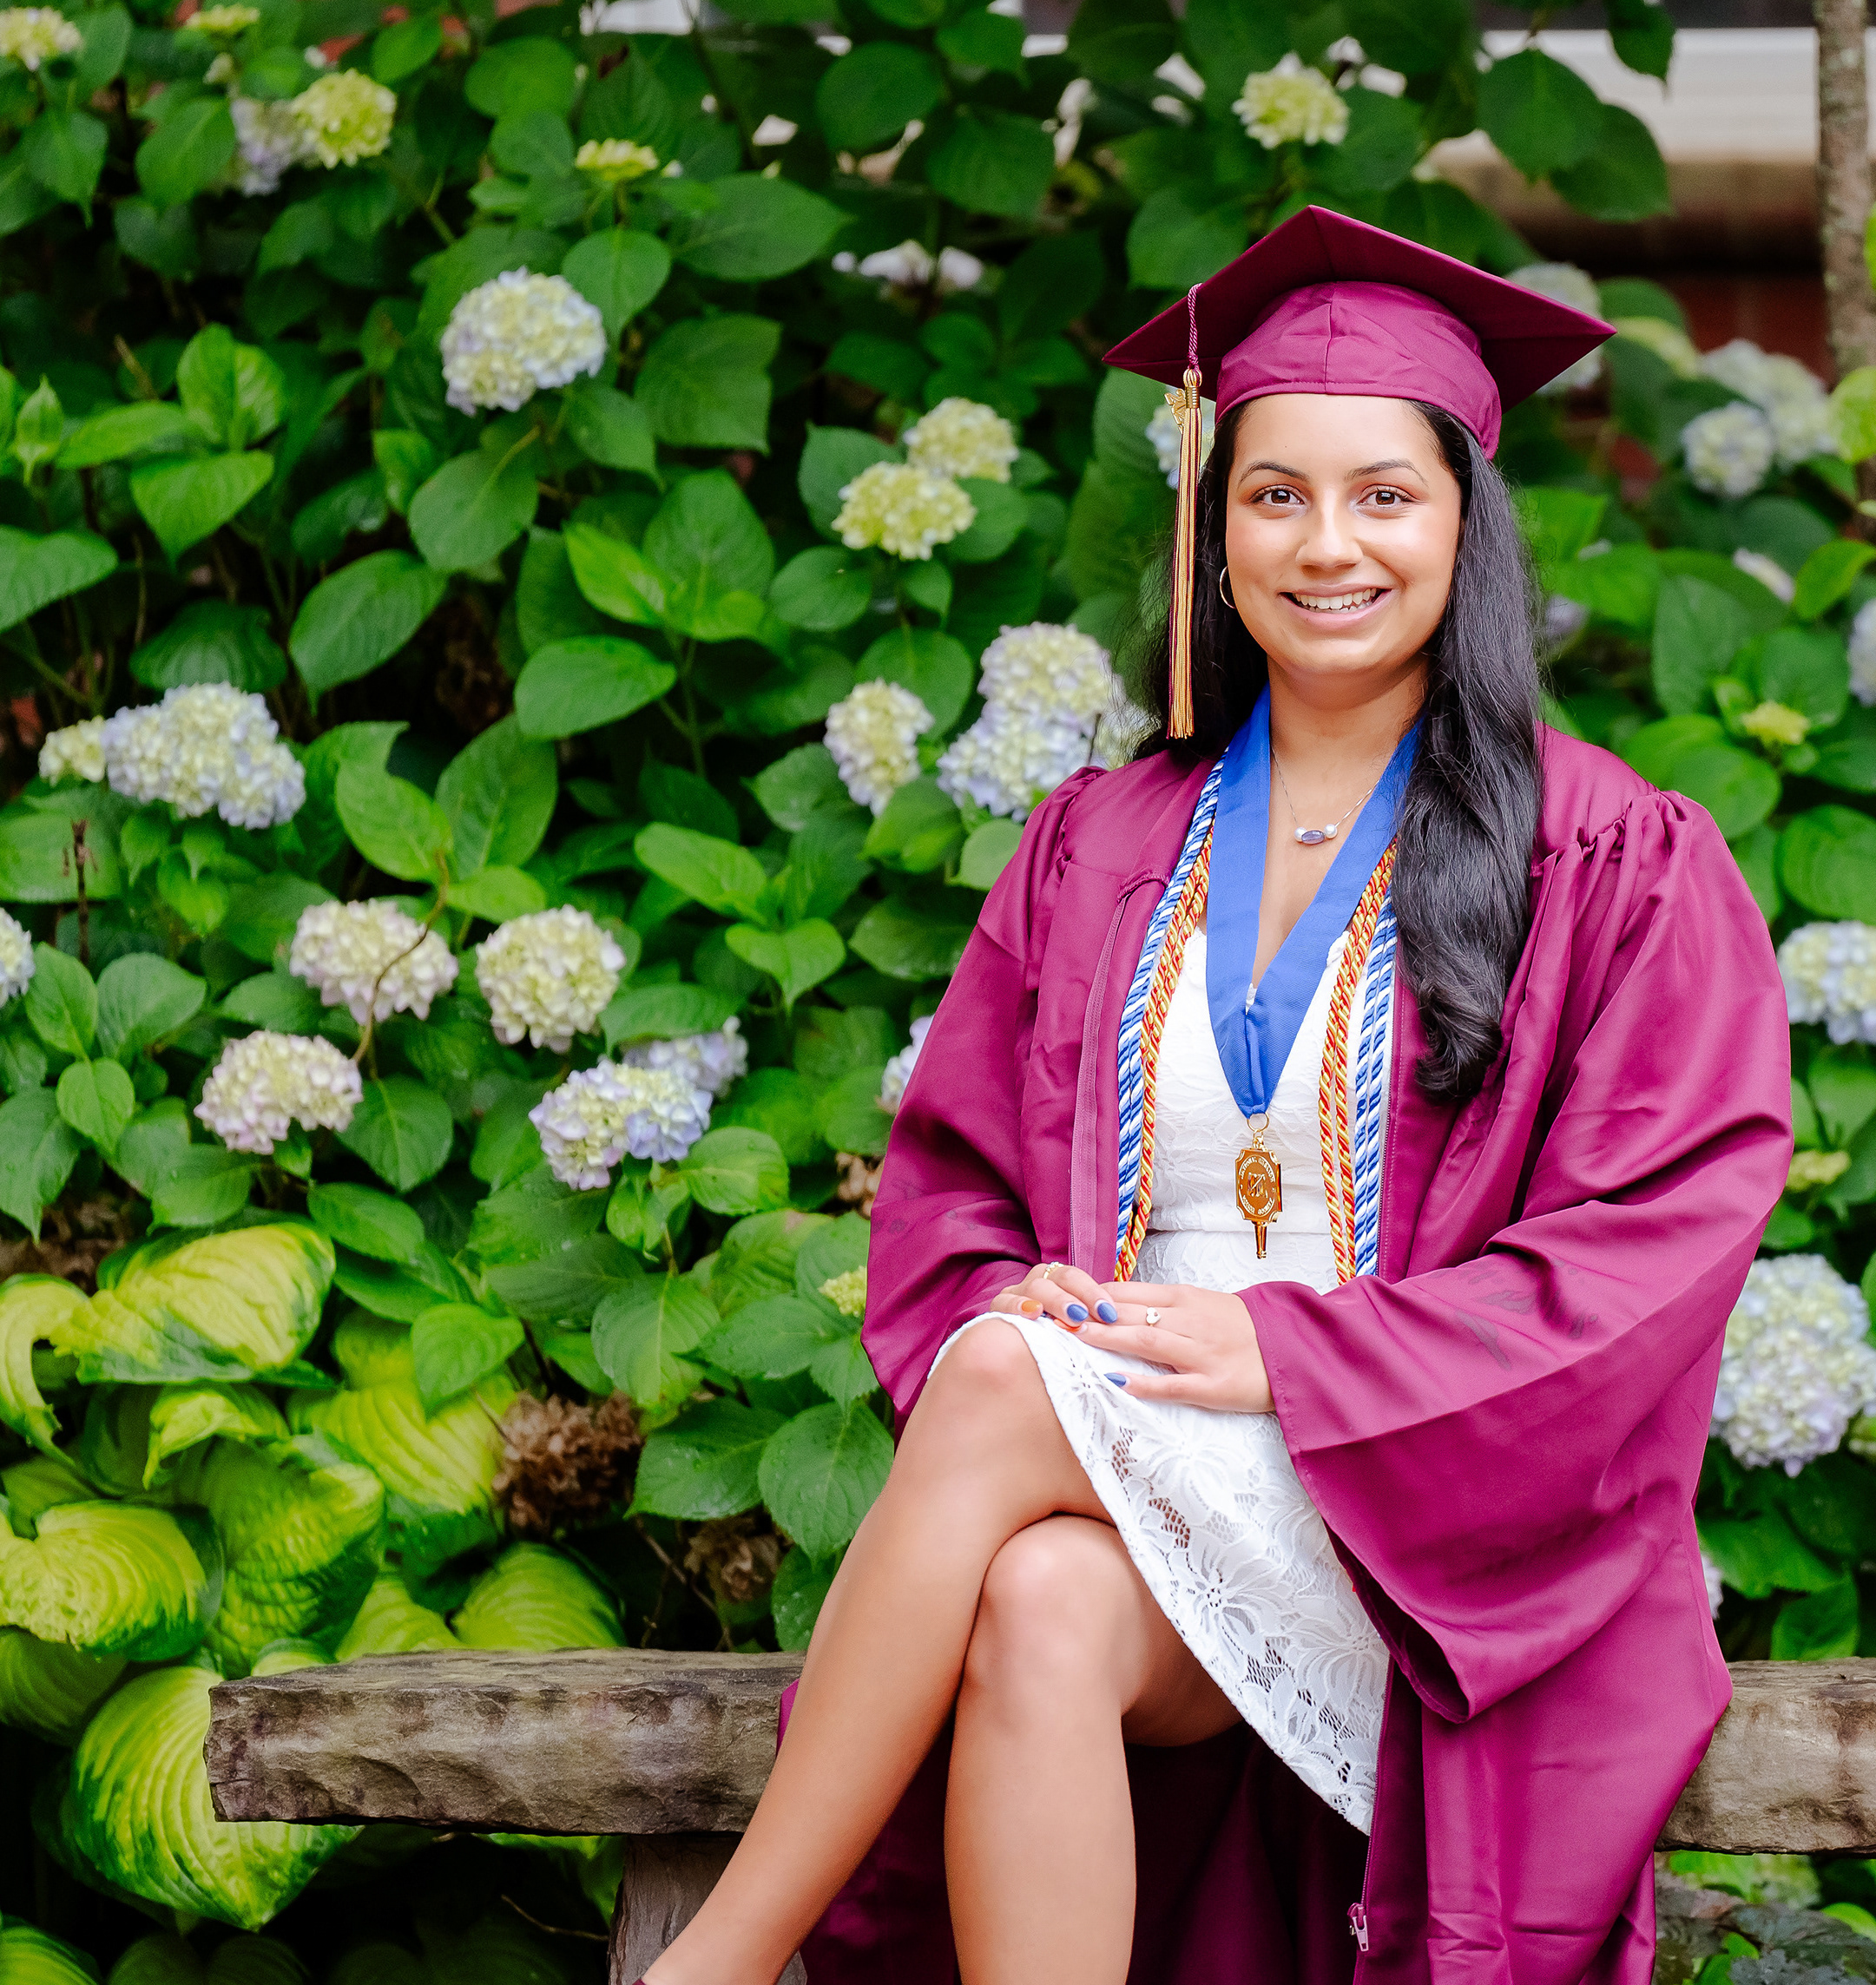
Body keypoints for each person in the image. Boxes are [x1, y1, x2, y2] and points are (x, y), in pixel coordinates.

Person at [638, 207, 1794, 1985]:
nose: (1327, 544)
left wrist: (1290, 1354)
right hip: (1133, 1463)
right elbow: (952, 1193)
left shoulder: (1612, 855)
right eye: (1274, 495)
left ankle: (714, 1967)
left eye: (1384, 495)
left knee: (1006, 1378)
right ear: (1212, 529)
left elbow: (1648, 1256)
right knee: (1036, 1598)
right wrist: (1016, 1289)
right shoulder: (1099, 843)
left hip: (1431, 1521)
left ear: (1465, 523)